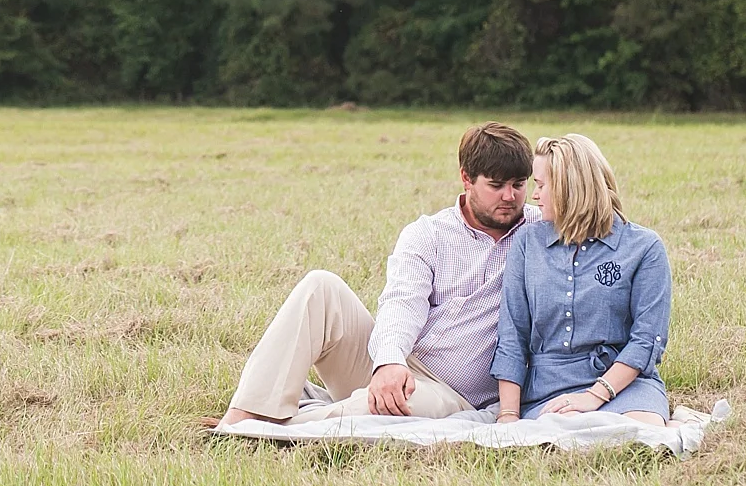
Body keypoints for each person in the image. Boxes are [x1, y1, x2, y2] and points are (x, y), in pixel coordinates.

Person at [215, 123, 539, 426]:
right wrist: (388, 362)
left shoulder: (541, 231)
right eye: (496, 186)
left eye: (519, 185)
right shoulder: (429, 234)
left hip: (454, 394)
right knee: (320, 286)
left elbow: (585, 211)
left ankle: (273, 425)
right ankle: (243, 413)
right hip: (398, 362)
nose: (510, 197)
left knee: (392, 408)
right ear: (466, 178)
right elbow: (401, 303)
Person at [492, 133, 672, 426]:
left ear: (568, 188)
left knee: (640, 432)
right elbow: (512, 336)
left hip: (624, 385)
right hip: (547, 388)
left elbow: (647, 341)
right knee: (563, 434)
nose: (534, 196)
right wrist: (508, 414)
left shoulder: (644, 247)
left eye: (541, 185)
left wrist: (595, 396)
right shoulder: (527, 242)